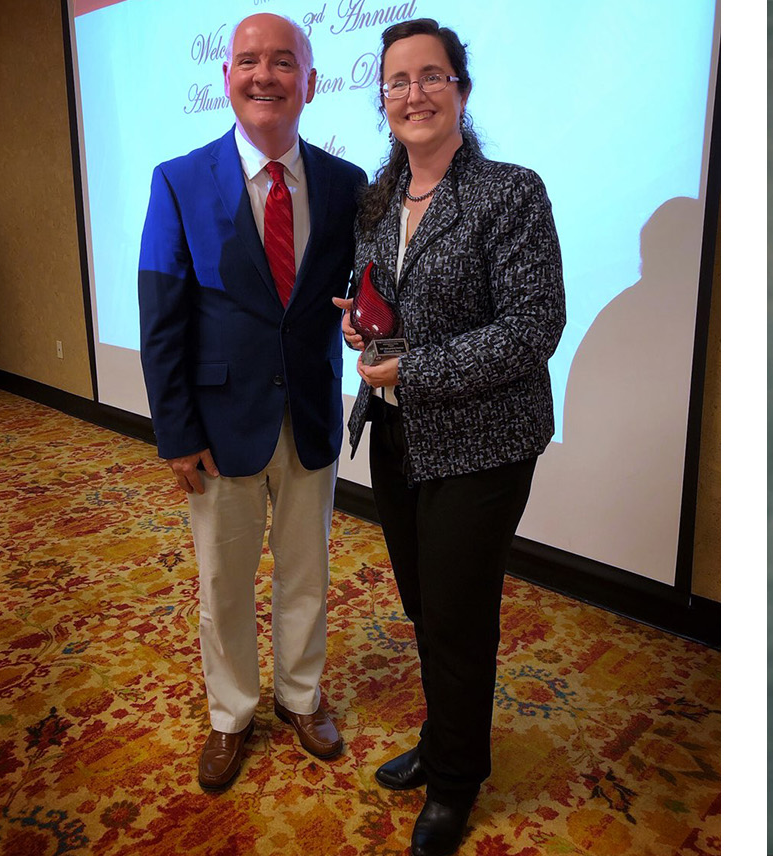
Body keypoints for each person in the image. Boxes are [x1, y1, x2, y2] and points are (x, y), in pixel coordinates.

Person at [331, 18, 565, 856]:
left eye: (432, 76)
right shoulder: (375, 198)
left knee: (460, 618)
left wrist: (413, 370)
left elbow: (535, 325)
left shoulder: (509, 190)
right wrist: (361, 328)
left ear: (461, 89)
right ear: (382, 98)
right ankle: (444, 741)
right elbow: (382, 305)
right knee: (428, 608)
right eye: (398, 80)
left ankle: (457, 779)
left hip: (485, 443)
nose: (414, 93)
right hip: (398, 438)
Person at [138, 13, 366, 791]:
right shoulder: (178, 179)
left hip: (308, 417)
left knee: (306, 572)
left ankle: (301, 695)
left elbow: (355, 297)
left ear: (311, 83)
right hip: (216, 427)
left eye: (282, 63)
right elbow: (162, 316)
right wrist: (174, 431)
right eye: (247, 63)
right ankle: (230, 713)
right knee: (223, 581)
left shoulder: (345, 183)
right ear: (226, 80)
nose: (263, 75)